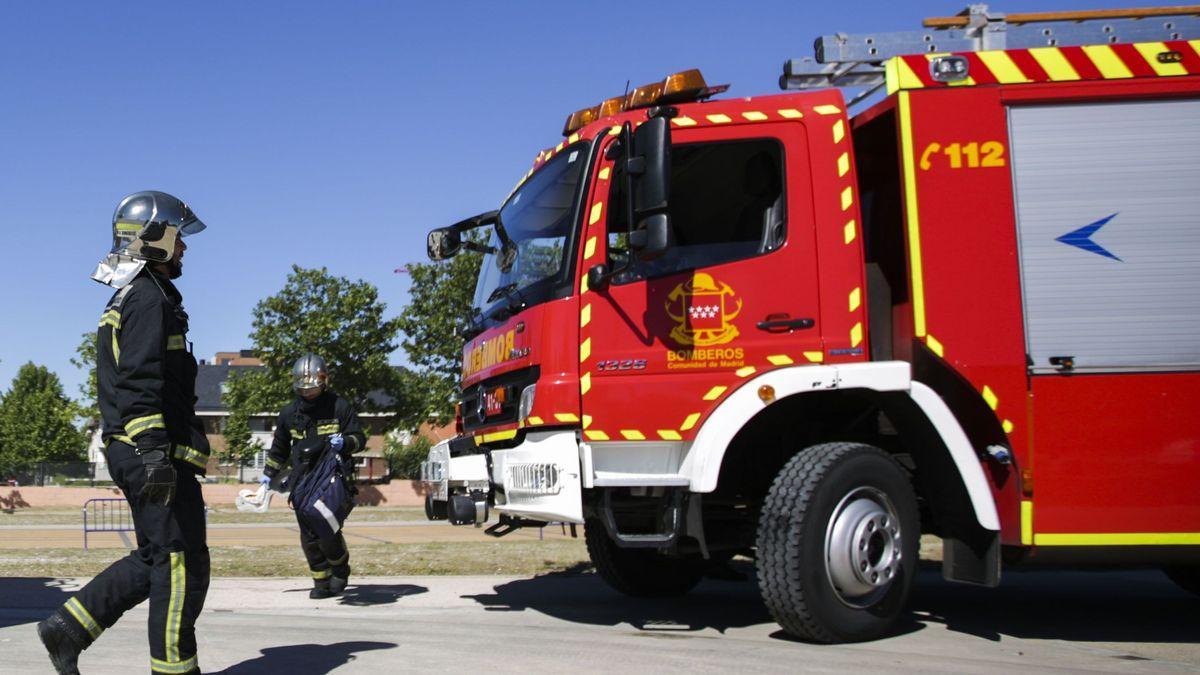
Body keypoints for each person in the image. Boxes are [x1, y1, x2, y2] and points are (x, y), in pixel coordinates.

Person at [38, 191, 210, 675]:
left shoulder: (140, 296)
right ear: (153, 239)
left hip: (144, 451)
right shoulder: (148, 299)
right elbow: (139, 382)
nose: (185, 249)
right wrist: (154, 454)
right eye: (178, 238)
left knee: (162, 558)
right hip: (151, 453)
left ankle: (69, 626)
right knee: (178, 568)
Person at [262, 353, 366, 599]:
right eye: (303, 389)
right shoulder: (289, 413)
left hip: (331, 478)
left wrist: (346, 443)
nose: (308, 393)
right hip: (302, 482)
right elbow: (279, 449)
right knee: (308, 536)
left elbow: (359, 438)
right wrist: (268, 476)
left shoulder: (339, 407)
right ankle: (321, 581)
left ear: (324, 382)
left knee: (327, 529)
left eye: (313, 389)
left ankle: (340, 568)